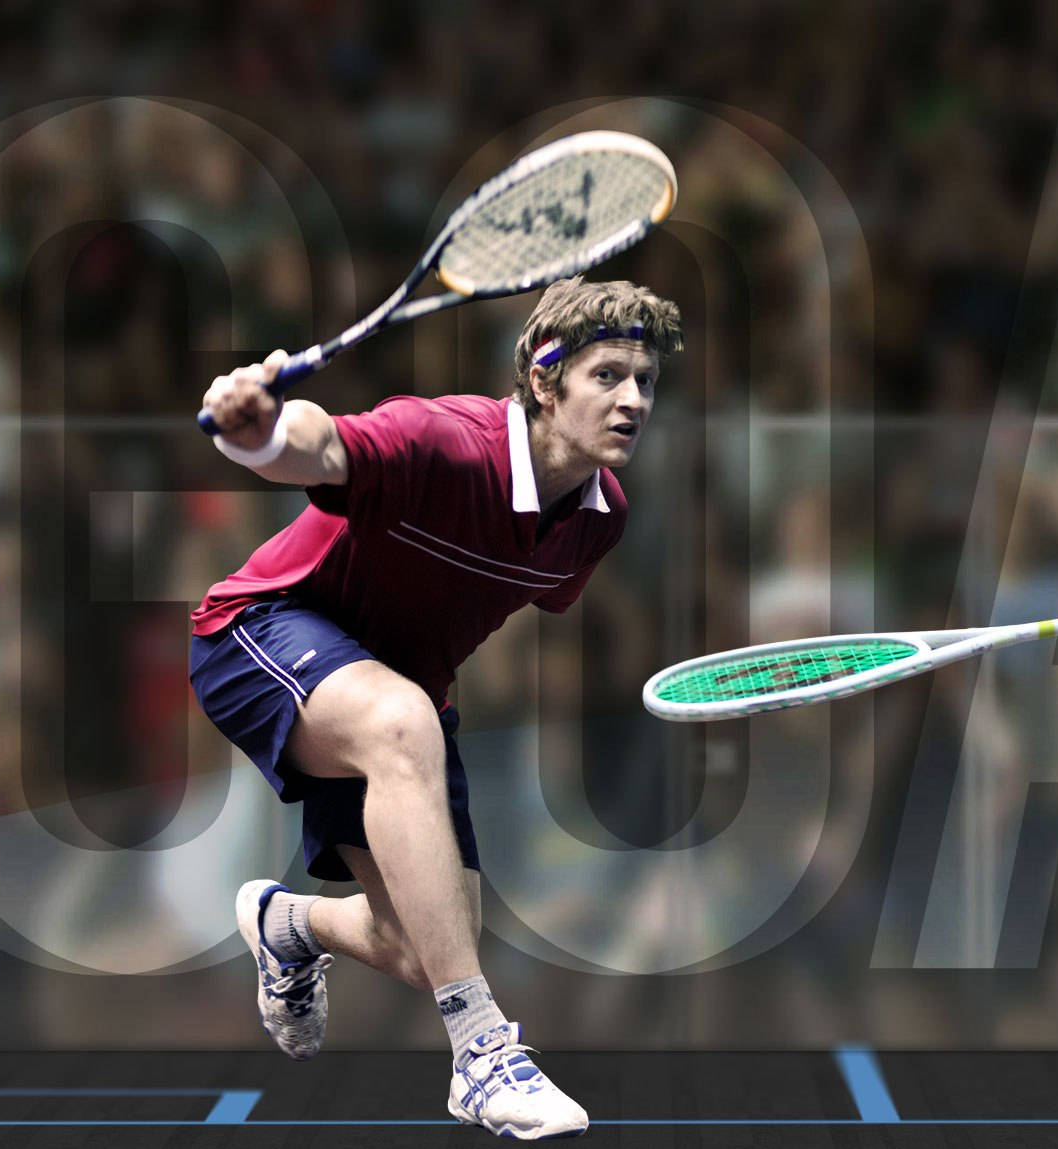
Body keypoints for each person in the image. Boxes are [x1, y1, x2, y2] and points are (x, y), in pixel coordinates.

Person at [190, 277, 684, 1140]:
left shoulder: (598, 521)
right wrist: (261, 430)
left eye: (646, 379)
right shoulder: (444, 439)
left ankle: (285, 922)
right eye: (608, 375)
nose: (633, 398)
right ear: (544, 378)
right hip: (258, 631)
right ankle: (482, 1052)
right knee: (402, 721)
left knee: (425, 943)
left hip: (390, 688)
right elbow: (323, 447)